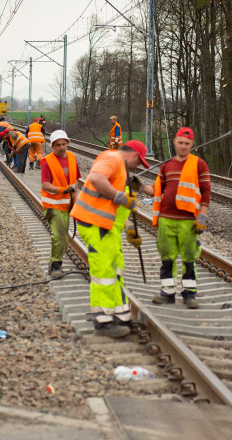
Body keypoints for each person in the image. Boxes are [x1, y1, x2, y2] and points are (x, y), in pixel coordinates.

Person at [70, 140, 149, 338]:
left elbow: (113, 207)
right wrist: (120, 197)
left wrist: (129, 227)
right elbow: (96, 178)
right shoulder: (112, 158)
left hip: (107, 227)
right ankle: (103, 320)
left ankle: (121, 315)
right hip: (96, 225)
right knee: (104, 273)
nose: (138, 166)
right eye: (139, 162)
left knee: (116, 272)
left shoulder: (121, 170)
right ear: (133, 155)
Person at [150, 127, 210, 309]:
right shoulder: (166, 165)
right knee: (166, 257)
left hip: (188, 221)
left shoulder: (199, 164)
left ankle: (189, 295)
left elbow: (206, 191)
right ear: (174, 142)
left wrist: (202, 217)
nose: (183, 146)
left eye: (187, 143)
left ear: (192, 145)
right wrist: (139, 187)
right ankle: (167, 293)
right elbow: (157, 190)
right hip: (166, 219)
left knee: (188, 258)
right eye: (180, 143)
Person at [41, 130, 81, 278]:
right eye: (58, 145)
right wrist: (61, 190)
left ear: (68, 143)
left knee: (64, 237)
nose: (62, 147)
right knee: (59, 236)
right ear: (52, 146)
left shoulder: (72, 157)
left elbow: (75, 180)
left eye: (64, 144)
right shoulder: (47, 161)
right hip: (53, 206)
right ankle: (55, 265)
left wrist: (74, 198)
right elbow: (45, 185)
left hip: (68, 204)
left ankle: (54, 262)